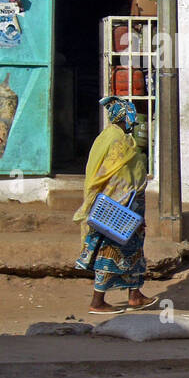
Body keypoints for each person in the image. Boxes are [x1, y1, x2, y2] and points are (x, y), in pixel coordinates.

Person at [74, 96, 157, 314]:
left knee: (133, 251)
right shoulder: (118, 142)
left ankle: (135, 295)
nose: (135, 122)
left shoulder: (107, 137)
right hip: (119, 208)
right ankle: (97, 301)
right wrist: (128, 205)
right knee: (109, 252)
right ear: (125, 117)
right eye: (132, 116)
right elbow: (117, 178)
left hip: (124, 205)